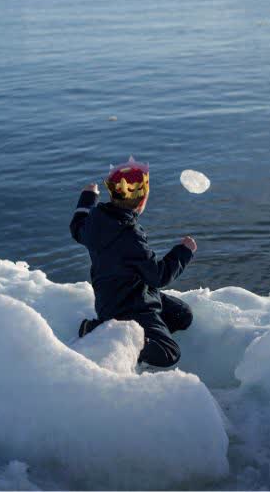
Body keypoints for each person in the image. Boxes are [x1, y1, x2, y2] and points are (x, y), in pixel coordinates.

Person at [69, 157, 198, 368]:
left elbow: (77, 227)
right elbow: (159, 276)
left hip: (122, 296)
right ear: (142, 200)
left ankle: (145, 334)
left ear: (112, 193)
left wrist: (88, 197)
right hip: (130, 307)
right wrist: (184, 252)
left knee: (182, 315)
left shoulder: (95, 222)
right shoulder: (130, 237)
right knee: (170, 353)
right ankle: (107, 333)